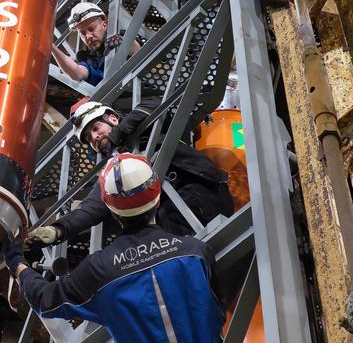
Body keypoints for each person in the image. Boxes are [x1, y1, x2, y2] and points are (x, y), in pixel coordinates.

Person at [4, 153, 225, 343]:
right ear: (157, 198)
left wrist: (17, 264)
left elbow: (45, 299)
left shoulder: (99, 271)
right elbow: (217, 310)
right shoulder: (196, 252)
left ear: (112, 211)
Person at [27, 96, 234, 247]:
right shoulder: (113, 173)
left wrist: (120, 136)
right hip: (176, 222)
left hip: (203, 193)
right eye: (90, 138)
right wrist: (59, 229)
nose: (95, 138)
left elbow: (155, 104)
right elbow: (90, 209)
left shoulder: (144, 125)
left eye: (96, 128)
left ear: (113, 118)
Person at [51, 2, 140, 87]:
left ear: (104, 25)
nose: (88, 36)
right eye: (83, 33)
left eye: (92, 28)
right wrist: (50, 46)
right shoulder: (90, 59)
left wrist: (125, 42)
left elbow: (137, 52)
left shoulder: (120, 38)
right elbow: (78, 73)